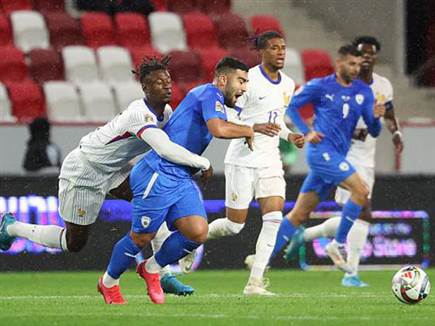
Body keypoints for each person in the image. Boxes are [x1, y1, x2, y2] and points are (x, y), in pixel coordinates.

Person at [0, 56, 212, 296]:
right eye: (159, 82)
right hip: (85, 170)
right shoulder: (138, 113)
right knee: (74, 243)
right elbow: (163, 148)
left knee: (154, 201)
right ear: (145, 87)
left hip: (115, 170)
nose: (167, 86)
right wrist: (201, 162)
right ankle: (12, 228)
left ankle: (162, 275)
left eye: (169, 81)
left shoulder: (166, 113)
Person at [97, 57, 280, 305]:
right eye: (241, 81)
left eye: (247, 82)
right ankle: (108, 283)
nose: (244, 87)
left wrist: (253, 126)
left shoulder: (216, 100)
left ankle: (151, 268)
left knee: (197, 232)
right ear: (223, 79)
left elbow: (230, 121)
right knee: (141, 237)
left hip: (181, 175)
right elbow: (219, 129)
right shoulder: (208, 93)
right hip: (157, 173)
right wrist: (249, 130)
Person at [284, 36, 403, 287]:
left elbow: (387, 115)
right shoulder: (344, 84)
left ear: (376, 57)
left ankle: (307, 234)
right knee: (363, 207)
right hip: (345, 153)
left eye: (371, 53)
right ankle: (351, 272)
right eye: (362, 53)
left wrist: (396, 132)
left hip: (368, 155)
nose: (366, 57)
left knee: (361, 213)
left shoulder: (383, 85)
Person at [202, 31, 304, 296]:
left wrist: (288, 134)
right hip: (243, 158)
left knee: (273, 218)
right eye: (274, 48)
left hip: (270, 160)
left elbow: (276, 119)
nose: (281, 52)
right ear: (261, 51)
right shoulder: (248, 80)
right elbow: (228, 117)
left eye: (283, 47)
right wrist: (253, 127)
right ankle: (193, 241)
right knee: (234, 225)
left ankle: (255, 282)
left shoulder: (288, 84)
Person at [269, 44, 385, 273]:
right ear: (339, 62)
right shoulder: (320, 86)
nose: (355, 69)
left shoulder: (363, 91)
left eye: (358, 65)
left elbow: (374, 130)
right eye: (351, 64)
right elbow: (291, 106)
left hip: (336, 156)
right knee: (360, 191)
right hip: (321, 153)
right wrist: (306, 131)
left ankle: (260, 259)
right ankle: (338, 243)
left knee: (299, 214)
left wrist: (375, 118)